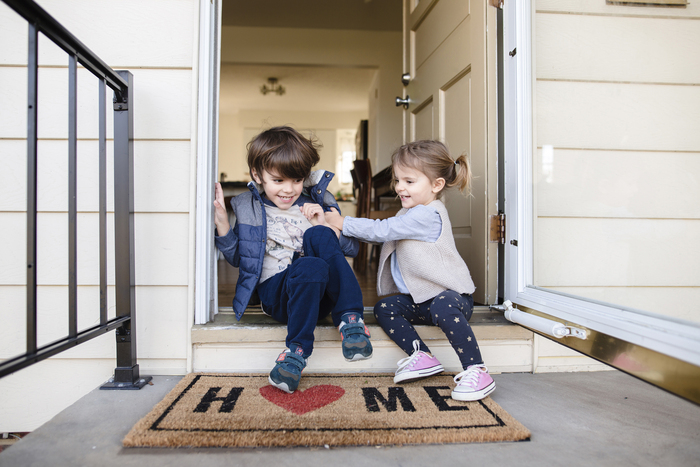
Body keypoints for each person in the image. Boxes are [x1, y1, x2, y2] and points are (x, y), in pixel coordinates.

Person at [325, 140, 494, 402]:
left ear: (436, 185)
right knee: (385, 308)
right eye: (398, 180)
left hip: (453, 299)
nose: (399, 187)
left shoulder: (428, 214)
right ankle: (421, 355)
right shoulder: (410, 212)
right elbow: (382, 233)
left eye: (409, 181)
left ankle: (477, 369)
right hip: (423, 301)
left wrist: (342, 222)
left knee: (443, 305)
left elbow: (383, 230)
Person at [214, 126, 372, 394]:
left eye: (297, 181)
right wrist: (221, 224)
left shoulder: (318, 201)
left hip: (317, 294)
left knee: (319, 239)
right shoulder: (250, 208)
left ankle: (350, 319)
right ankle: (296, 350)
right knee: (307, 264)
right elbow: (240, 258)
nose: (289, 190)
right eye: (278, 181)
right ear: (257, 174)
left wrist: (325, 223)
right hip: (278, 295)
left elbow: (351, 249)